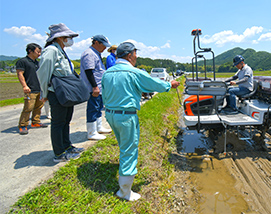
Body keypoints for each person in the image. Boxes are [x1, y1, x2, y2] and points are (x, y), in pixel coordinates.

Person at [102, 42, 180, 201]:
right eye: (135, 54)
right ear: (130, 55)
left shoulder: (107, 73)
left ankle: (124, 174)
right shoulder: (134, 72)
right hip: (126, 116)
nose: (136, 57)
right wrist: (169, 85)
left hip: (110, 114)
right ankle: (124, 192)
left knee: (123, 145)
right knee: (129, 150)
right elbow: (154, 85)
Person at [37, 23, 84, 162]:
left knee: (66, 120)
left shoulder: (61, 50)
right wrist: (44, 93)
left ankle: (67, 146)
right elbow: (43, 73)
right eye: (67, 37)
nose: (69, 39)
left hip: (65, 91)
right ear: (59, 38)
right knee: (58, 122)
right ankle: (59, 153)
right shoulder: (51, 50)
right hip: (56, 92)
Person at [80, 35, 112, 140]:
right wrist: (94, 87)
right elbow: (89, 71)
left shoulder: (96, 53)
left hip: (99, 87)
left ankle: (98, 127)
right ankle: (91, 132)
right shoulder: (89, 54)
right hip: (93, 87)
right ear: (96, 43)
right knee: (93, 108)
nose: (105, 48)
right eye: (103, 45)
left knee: (98, 107)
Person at [16, 43, 48, 135]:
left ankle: (36, 122)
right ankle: (23, 125)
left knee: (39, 107)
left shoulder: (37, 63)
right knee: (28, 108)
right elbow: (20, 74)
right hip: (30, 89)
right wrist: (25, 86)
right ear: (30, 51)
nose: (39, 54)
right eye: (37, 52)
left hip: (39, 88)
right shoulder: (23, 61)